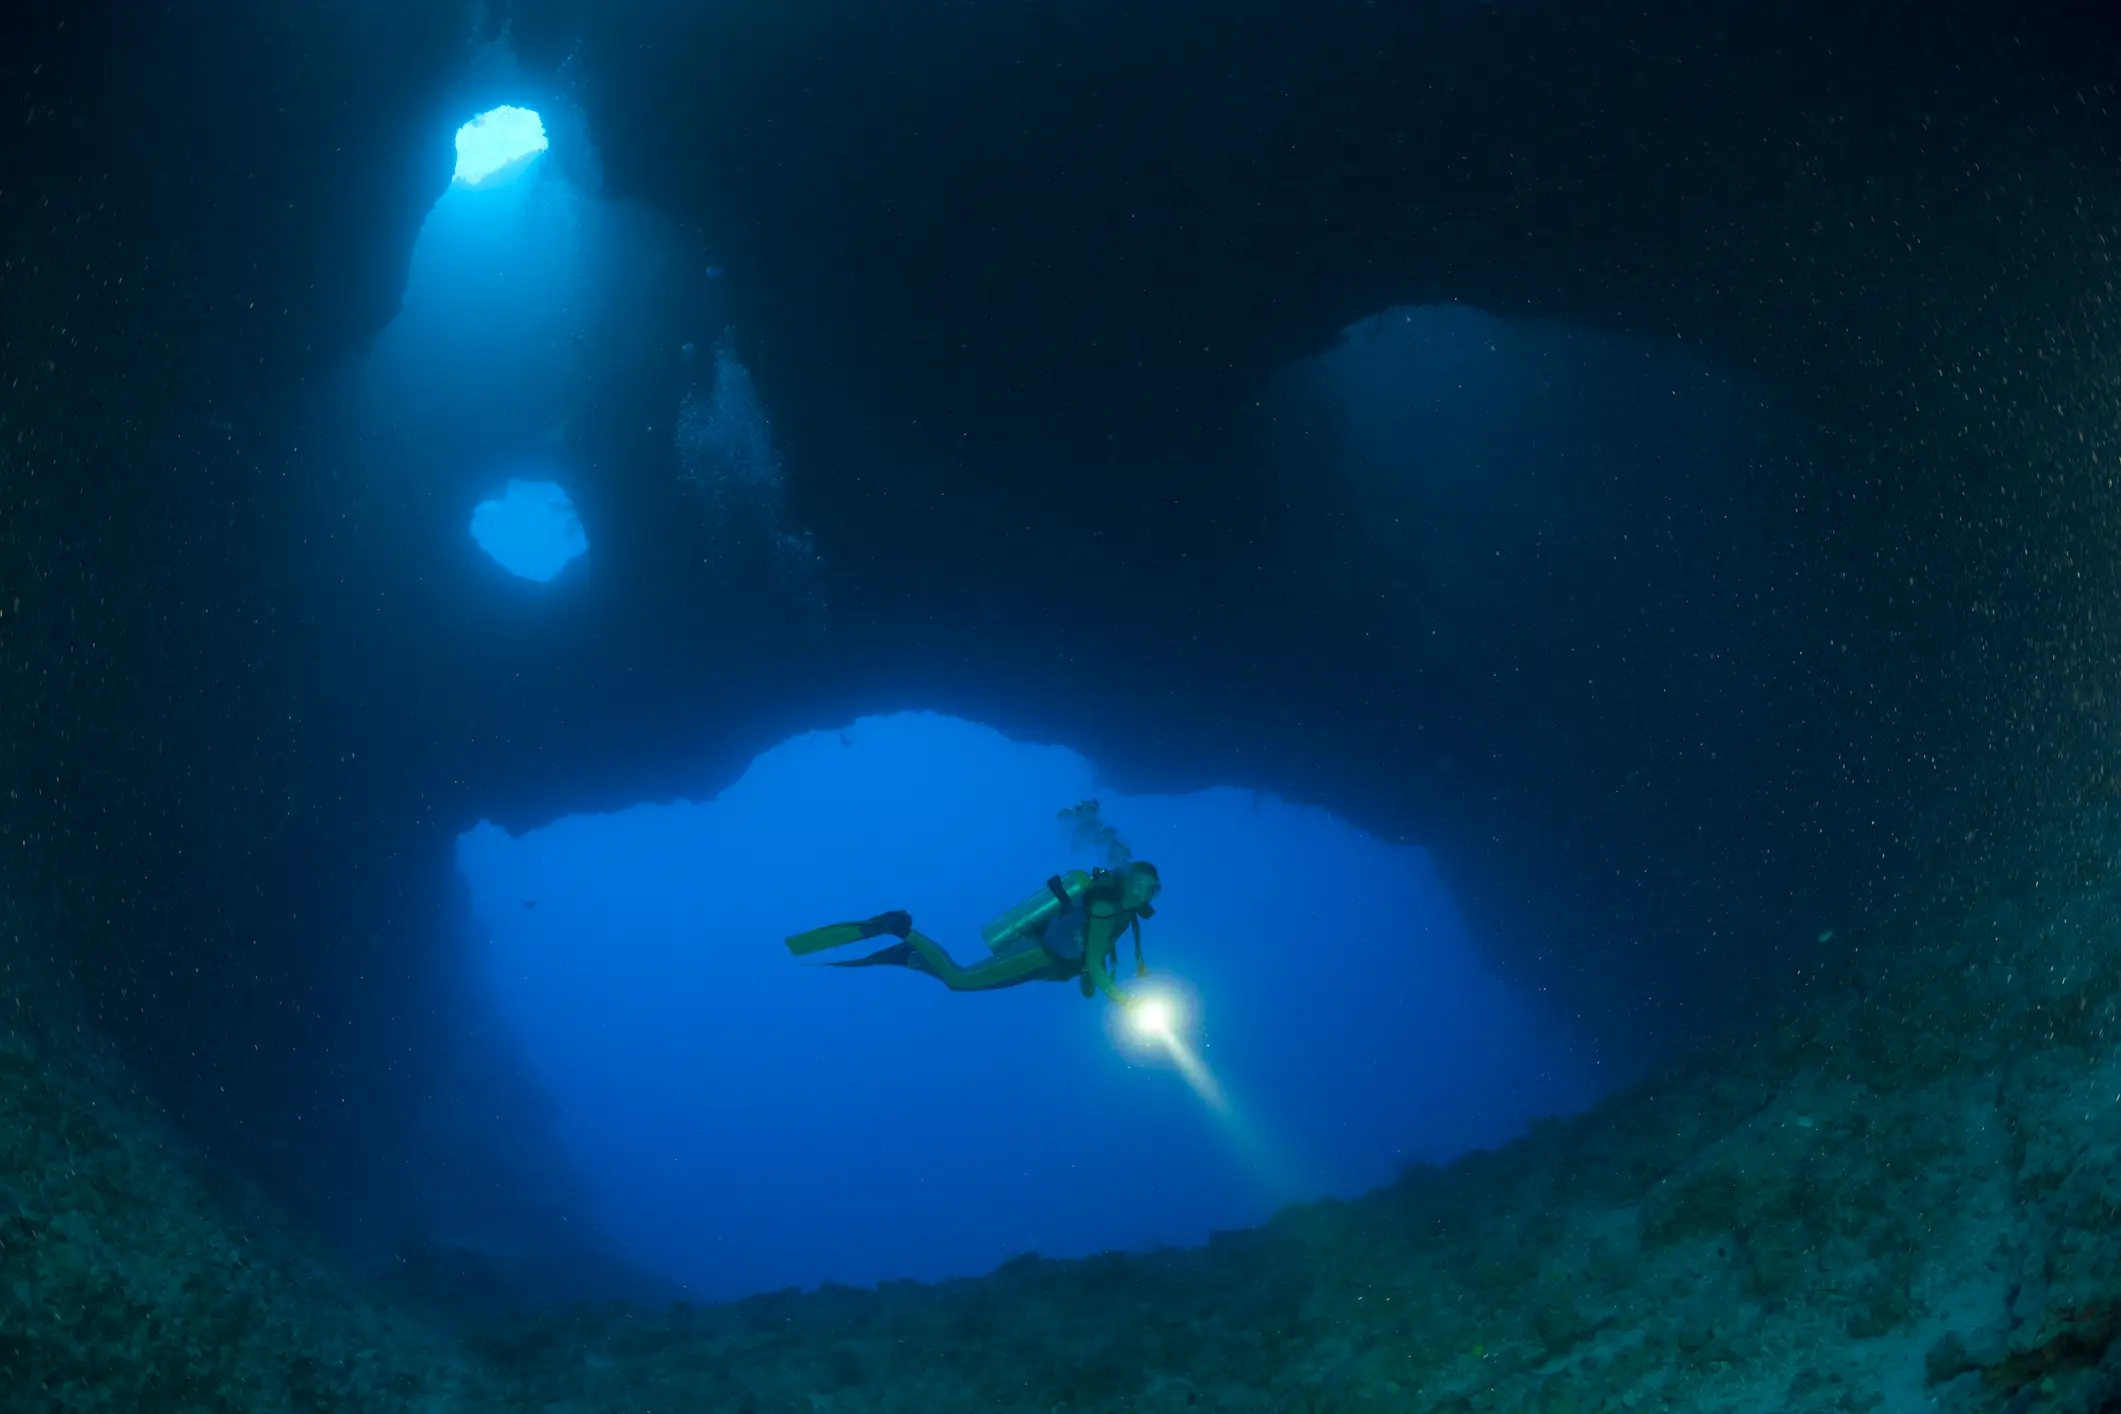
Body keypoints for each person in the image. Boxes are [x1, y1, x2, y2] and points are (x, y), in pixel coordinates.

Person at [785, 861, 1162, 1004]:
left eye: (1152, 888)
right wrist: (1126, 1001)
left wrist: (1091, 981)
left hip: (1042, 962)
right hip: (1036, 956)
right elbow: (1095, 963)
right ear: (1128, 880)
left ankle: (911, 958)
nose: (1147, 892)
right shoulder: (1104, 908)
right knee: (959, 980)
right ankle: (900, 930)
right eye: (1143, 883)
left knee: (960, 980)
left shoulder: (1123, 916)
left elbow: (1090, 961)